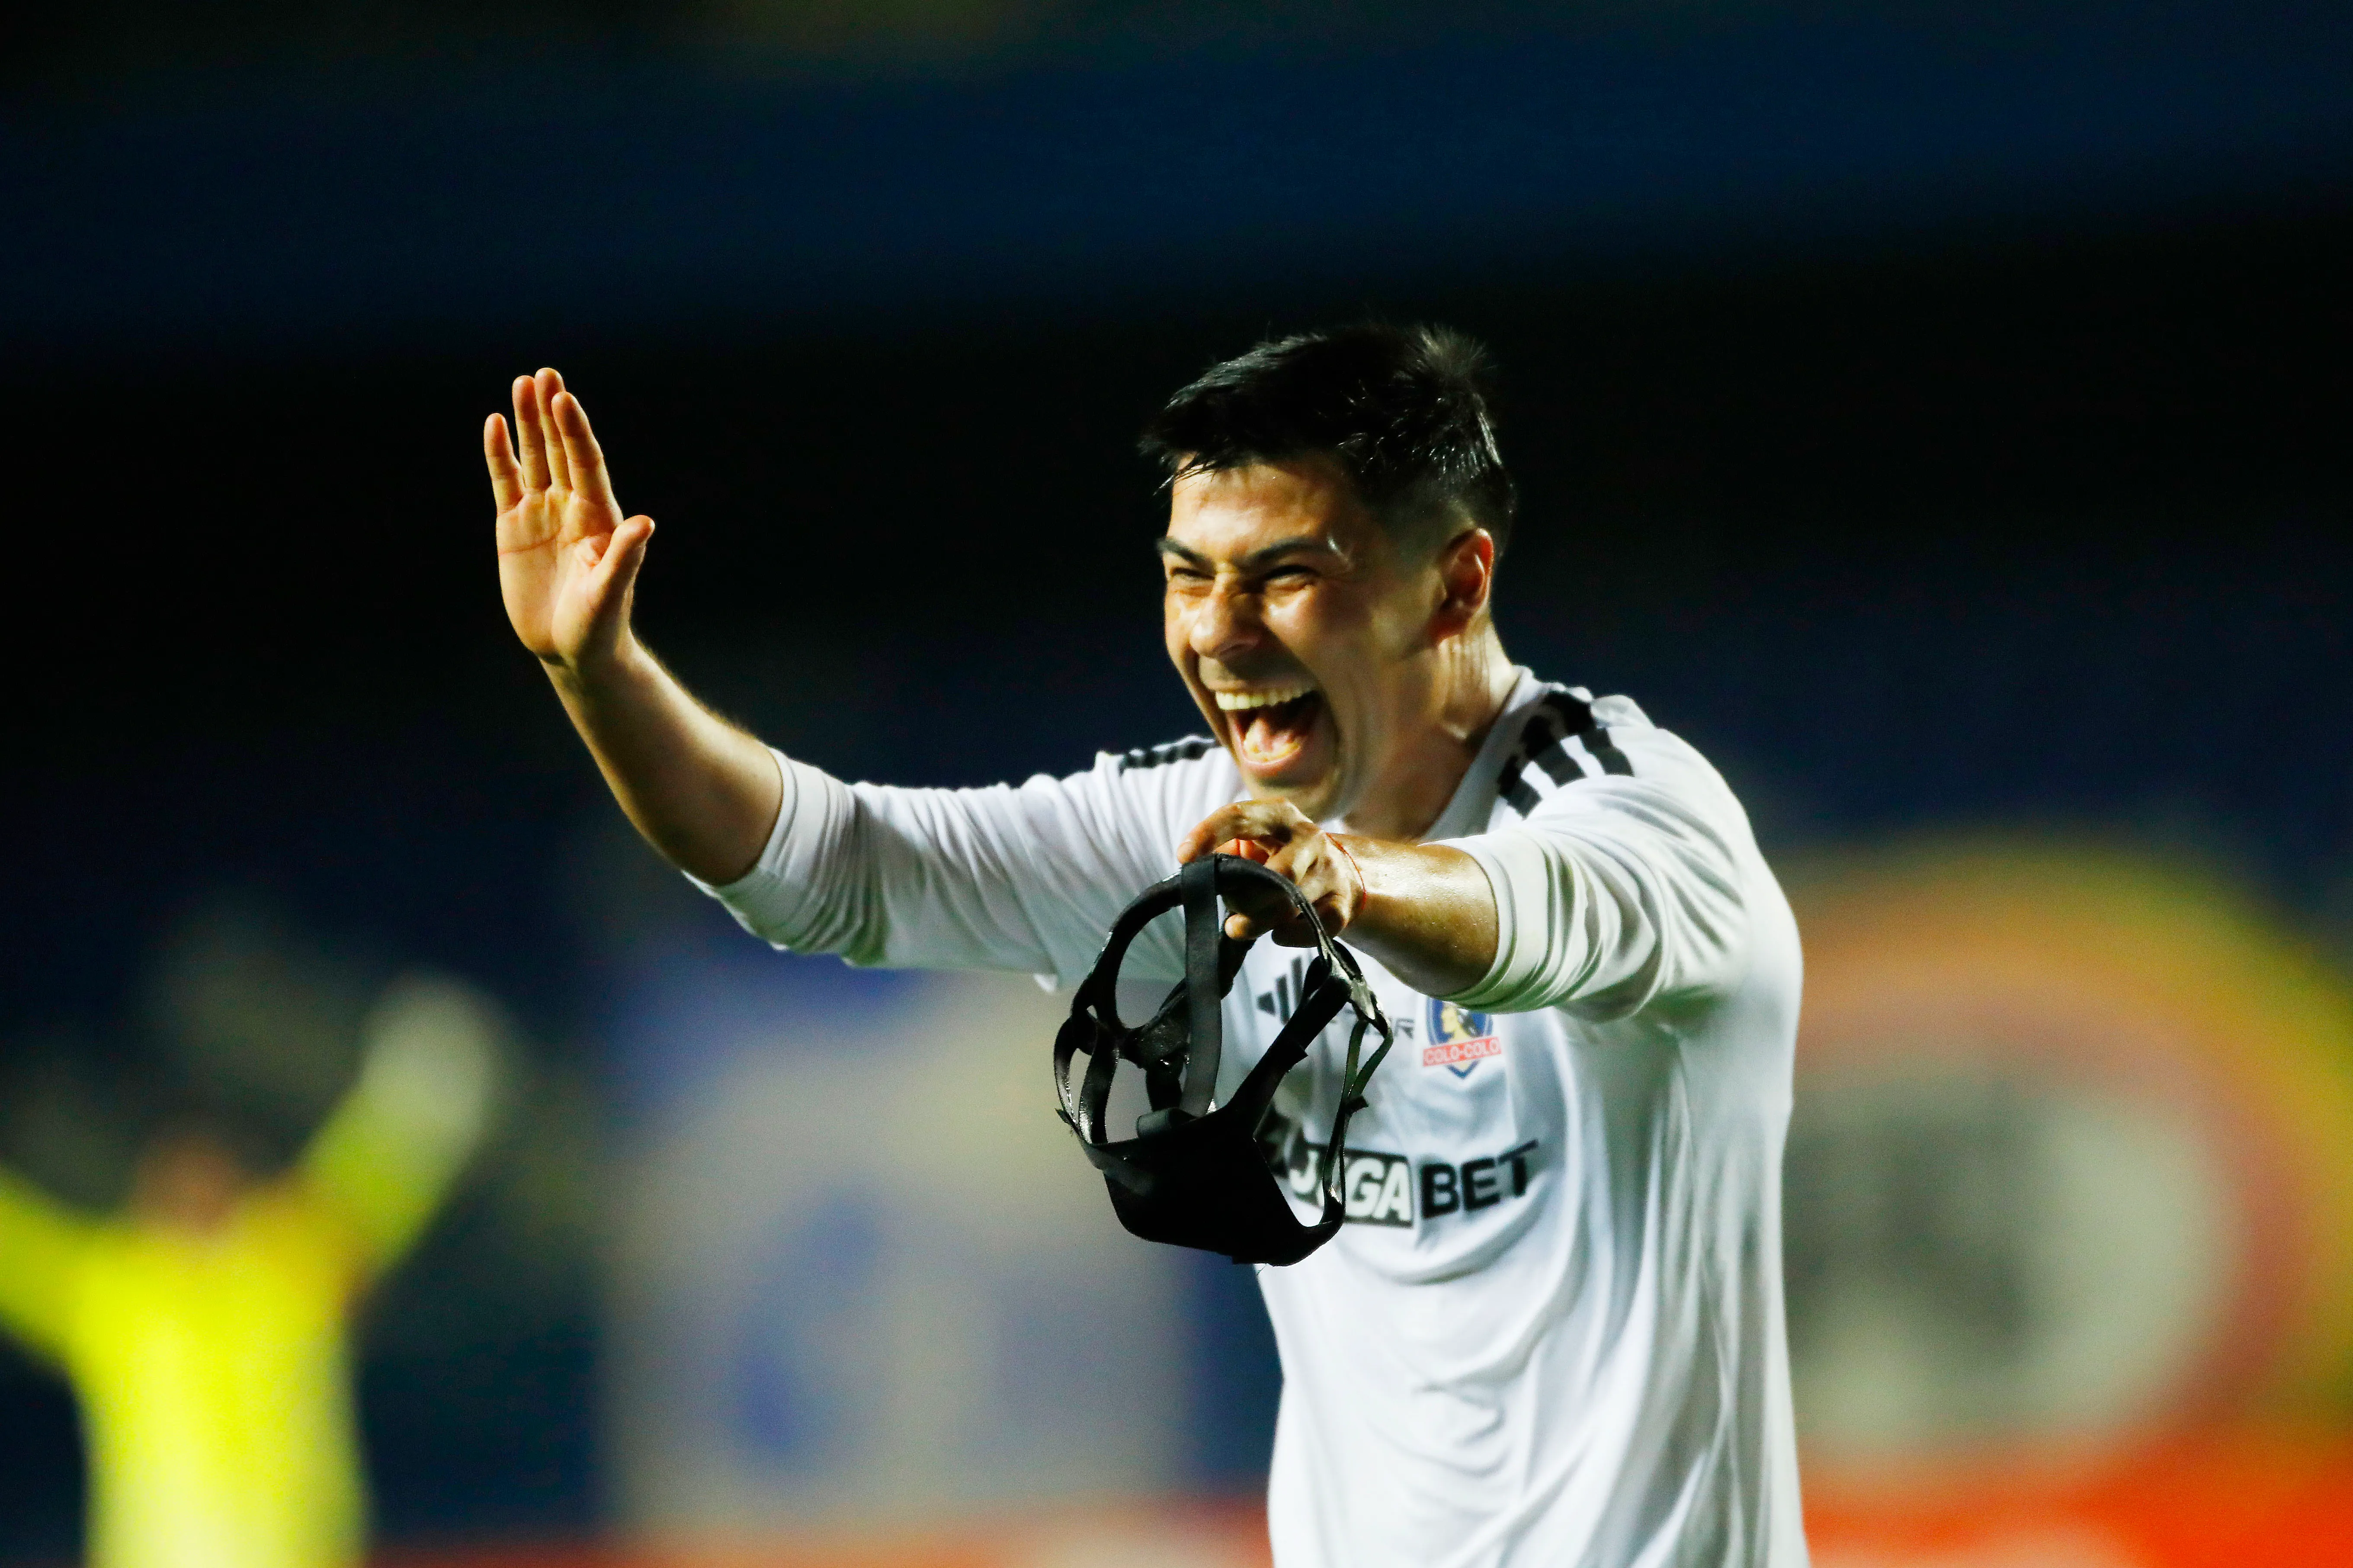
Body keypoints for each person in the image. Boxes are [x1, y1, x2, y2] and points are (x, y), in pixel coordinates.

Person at [486, 324, 1807, 1566]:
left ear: (1454, 582)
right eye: (1190, 574)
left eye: (1287, 575)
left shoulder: (1643, 809)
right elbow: (836, 872)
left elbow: (1534, 914)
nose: (1221, 633)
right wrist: (600, 677)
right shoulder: (1191, 821)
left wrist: (1345, 877)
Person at [0, 976, 504, 1568]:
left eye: (208, 1176)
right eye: (177, 1181)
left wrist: (427, 1083)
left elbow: (377, 1176)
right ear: (145, 1194)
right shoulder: (116, 1287)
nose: (194, 1193)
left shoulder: (285, 1263)